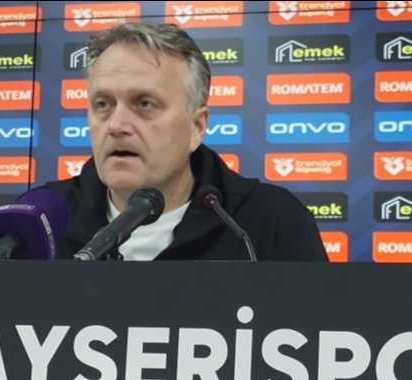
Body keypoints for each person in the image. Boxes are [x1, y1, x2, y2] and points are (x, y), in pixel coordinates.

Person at [18, 22, 329, 262]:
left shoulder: (270, 222)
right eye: (103, 104)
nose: (116, 125)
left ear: (196, 126)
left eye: (144, 104)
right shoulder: (39, 218)